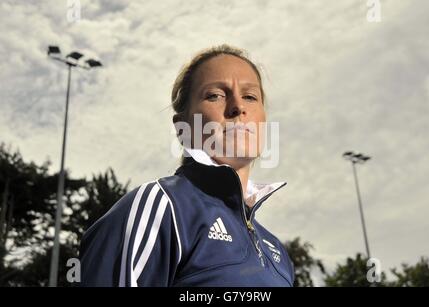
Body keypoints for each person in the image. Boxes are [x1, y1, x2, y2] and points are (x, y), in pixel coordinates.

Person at [79, 44, 294, 286]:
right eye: (215, 95)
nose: (238, 107)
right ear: (183, 128)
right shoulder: (161, 207)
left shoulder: (278, 253)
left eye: (250, 96)